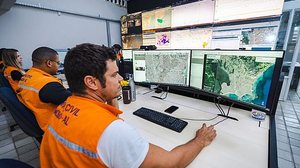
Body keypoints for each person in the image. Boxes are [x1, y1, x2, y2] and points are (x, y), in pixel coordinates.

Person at [40, 43, 216, 168]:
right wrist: (200, 140)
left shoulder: (66, 105)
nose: (121, 79)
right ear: (91, 82)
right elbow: (171, 163)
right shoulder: (112, 132)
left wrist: (109, 95)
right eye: (114, 75)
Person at [17, 47, 71, 131]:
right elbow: (72, 99)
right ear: (49, 63)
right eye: (58, 63)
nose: (59, 65)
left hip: (39, 118)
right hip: (55, 125)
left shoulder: (27, 75)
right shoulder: (48, 85)